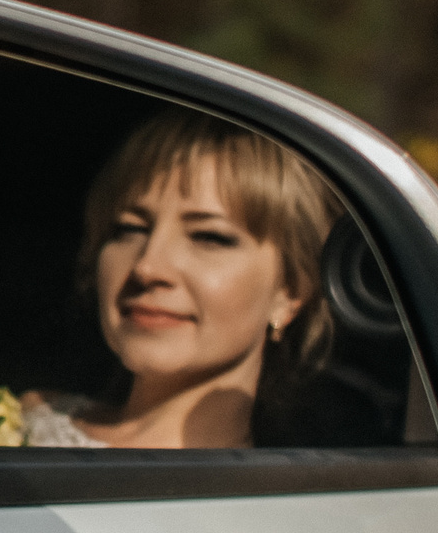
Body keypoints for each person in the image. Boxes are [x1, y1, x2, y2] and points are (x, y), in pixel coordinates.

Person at [24, 107, 341, 449]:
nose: (147, 267)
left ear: (290, 292)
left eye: (209, 237)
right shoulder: (19, 420)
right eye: (129, 229)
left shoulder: (265, 498)